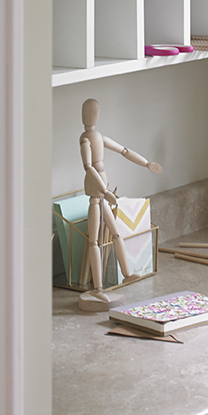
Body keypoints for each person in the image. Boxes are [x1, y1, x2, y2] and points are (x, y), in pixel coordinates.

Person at [78, 98, 163, 311]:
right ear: (84, 116)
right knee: (94, 240)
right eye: (90, 113)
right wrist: (105, 191)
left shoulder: (98, 137)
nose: (92, 117)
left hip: (103, 190)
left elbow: (124, 150)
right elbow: (88, 166)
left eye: (95, 113)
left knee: (115, 232)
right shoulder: (85, 139)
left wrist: (146, 163)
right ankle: (98, 288)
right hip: (96, 191)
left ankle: (126, 273)